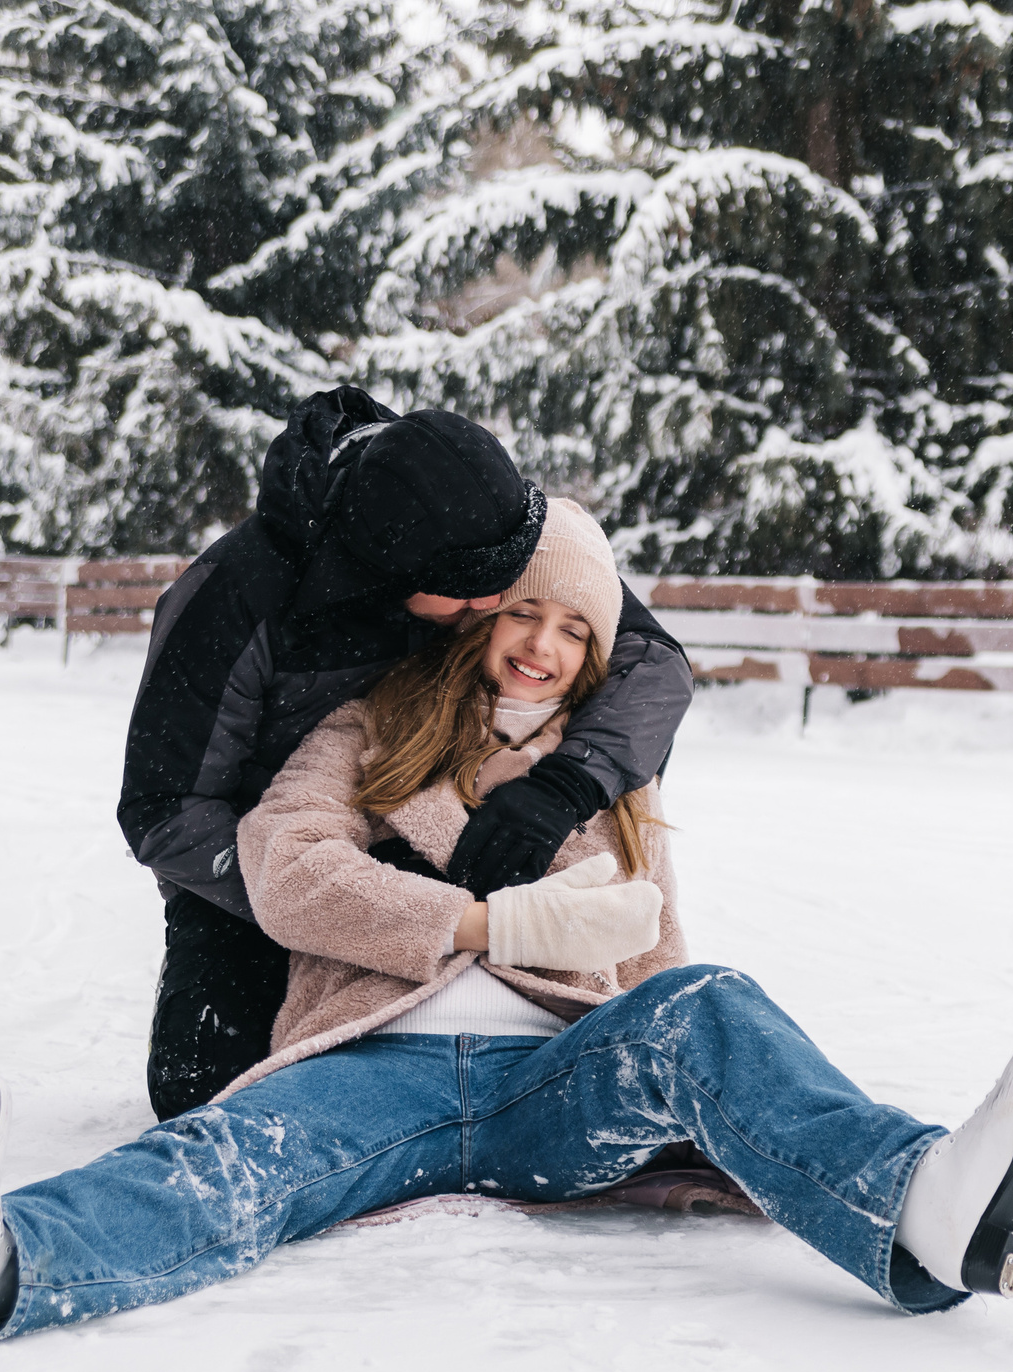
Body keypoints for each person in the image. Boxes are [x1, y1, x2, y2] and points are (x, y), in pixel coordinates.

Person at [0, 503, 1013, 1360]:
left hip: (558, 1076)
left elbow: (652, 947)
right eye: (527, 616)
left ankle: (927, 1215)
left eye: (577, 631)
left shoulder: (607, 781)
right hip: (375, 1064)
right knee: (236, 1158)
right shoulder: (363, 732)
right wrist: (482, 915)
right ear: (482, 616)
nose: (545, 647)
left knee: (707, 1000)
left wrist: (692, 1085)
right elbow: (284, 871)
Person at [120, 387, 694, 1122]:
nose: (494, 609)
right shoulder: (234, 599)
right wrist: (343, 888)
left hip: (454, 825)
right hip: (264, 863)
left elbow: (650, 663)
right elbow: (164, 809)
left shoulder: (483, 518)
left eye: (508, 590)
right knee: (209, 1090)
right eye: (477, 601)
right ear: (397, 579)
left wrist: (565, 785)